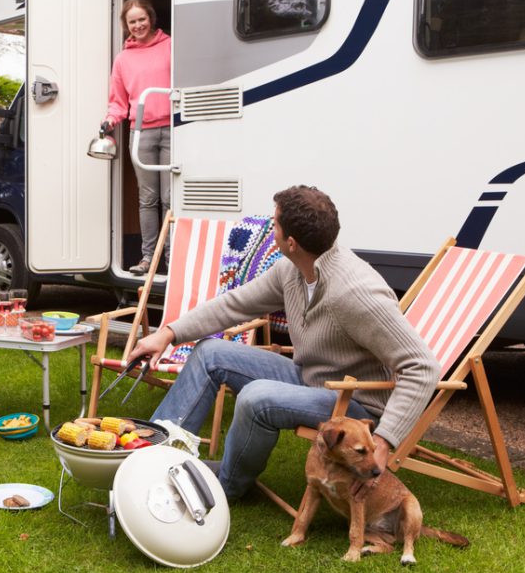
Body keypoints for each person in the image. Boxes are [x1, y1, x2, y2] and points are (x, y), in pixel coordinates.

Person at [128, 185, 440, 500]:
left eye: (274, 224)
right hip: (309, 379)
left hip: (354, 402)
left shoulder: (355, 292)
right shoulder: (291, 269)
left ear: (290, 242)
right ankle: (153, 456)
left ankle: (227, 485)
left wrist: (384, 443)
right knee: (210, 353)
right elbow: (234, 304)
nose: (270, 229)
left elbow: (422, 366)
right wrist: (168, 333)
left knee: (256, 396)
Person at [102, 0, 172, 275]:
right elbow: (118, 101)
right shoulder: (123, 59)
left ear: (151, 18)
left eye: (142, 18)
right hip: (141, 132)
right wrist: (110, 120)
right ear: (126, 26)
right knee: (148, 198)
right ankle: (148, 259)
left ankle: (171, 258)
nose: (138, 24)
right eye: (133, 21)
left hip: (171, 130)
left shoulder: (170, 46)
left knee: (170, 197)